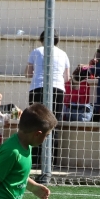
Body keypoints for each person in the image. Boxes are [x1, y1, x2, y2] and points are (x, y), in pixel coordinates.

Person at [26, 29, 71, 168]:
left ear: (42, 39)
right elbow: (67, 78)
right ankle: (51, 162)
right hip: (57, 89)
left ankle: (34, 159)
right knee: (53, 124)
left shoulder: (36, 51)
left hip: (38, 87)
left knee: (34, 123)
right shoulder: (63, 54)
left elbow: (28, 73)